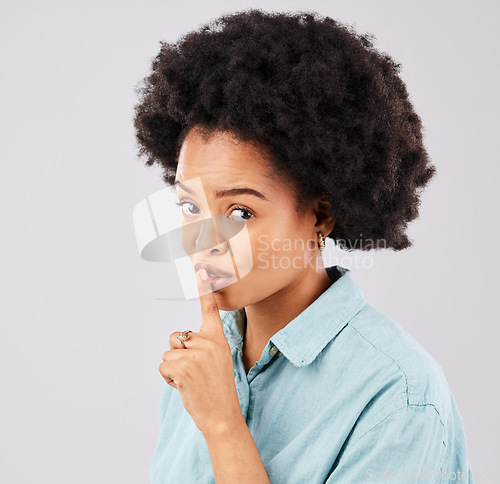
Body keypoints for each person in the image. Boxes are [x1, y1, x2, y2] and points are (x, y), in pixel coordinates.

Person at [133, 9, 474, 483]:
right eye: (190, 208)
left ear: (321, 216)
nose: (202, 242)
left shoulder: (397, 396)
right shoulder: (201, 366)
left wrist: (223, 427)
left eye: (239, 212)